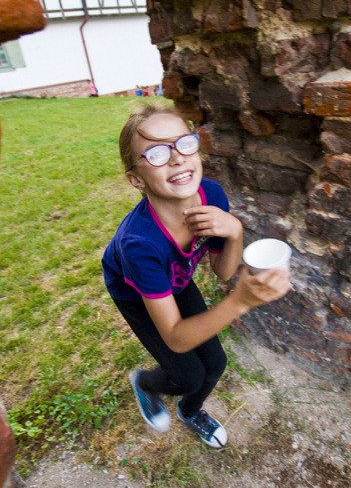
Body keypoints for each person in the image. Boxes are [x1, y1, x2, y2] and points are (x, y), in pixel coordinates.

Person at [101, 102, 292, 448]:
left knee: (215, 363)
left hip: (177, 277)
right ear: (136, 178)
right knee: (187, 373)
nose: (176, 158)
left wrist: (234, 231)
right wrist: (240, 301)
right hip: (134, 291)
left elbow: (223, 271)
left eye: (184, 143)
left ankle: (190, 411)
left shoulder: (213, 196)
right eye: (156, 153)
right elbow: (175, 337)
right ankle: (145, 383)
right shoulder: (139, 245)